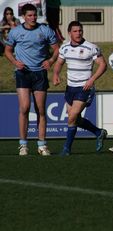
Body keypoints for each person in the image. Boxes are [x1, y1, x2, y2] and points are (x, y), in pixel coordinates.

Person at [4, 3, 59, 156]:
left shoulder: (45, 30)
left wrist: (51, 61)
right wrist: (15, 62)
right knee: (25, 108)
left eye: (34, 15)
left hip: (39, 74)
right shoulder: (15, 32)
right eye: (29, 15)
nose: (33, 18)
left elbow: (56, 49)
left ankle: (42, 145)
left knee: (41, 109)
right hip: (23, 73)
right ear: (23, 17)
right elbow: (8, 51)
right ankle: (23, 145)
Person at [53, 21, 108, 155]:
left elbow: (103, 65)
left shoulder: (91, 48)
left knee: (71, 117)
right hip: (70, 88)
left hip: (84, 88)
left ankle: (66, 149)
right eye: (75, 31)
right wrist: (55, 74)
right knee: (75, 119)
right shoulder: (64, 48)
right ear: (69, 33)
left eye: (80, 31)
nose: (78, 33)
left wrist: (92, 79)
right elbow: (59, 63)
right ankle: (98, 132)